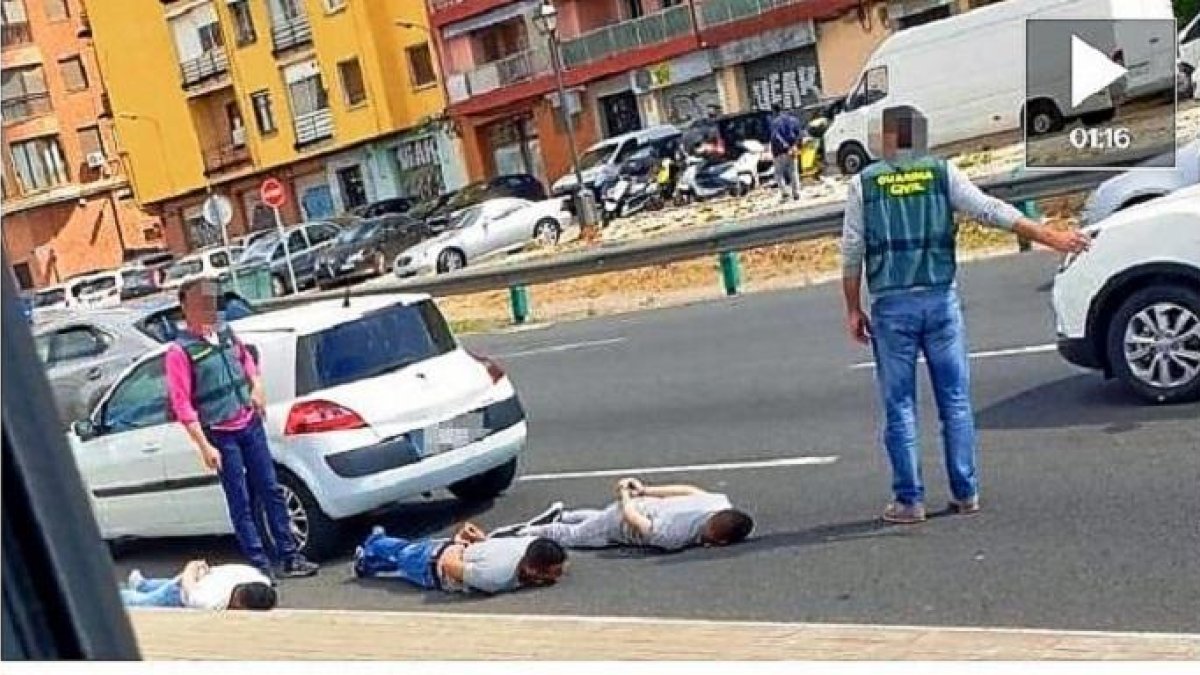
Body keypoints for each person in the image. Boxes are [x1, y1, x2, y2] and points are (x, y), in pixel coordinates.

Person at [841, 106, 1091, 524]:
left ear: (885, 140)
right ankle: (965, 491)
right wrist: (1051, 237)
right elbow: (991, 211)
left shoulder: (863, 185)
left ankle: (909, 501)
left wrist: (852, 307)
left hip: (892, 305)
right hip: (941, 300)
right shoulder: (943, 174)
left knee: (899, 406)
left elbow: (852, 250)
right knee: (955, 401)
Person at [166, 278, 318, 580]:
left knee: (270, 489)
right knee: (241, 500)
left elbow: (248, 361)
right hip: (221, 433)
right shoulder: (179, 352)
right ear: (186, 308)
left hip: (249, 423)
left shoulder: (225, 333)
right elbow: (182, 403)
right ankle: (259, 566)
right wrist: (204, 445)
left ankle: (290, 556)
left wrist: (257, 386)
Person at [507, 478, 754, 551]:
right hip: (621, 523)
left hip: (643, 505)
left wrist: (645, 490)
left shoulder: (719, 502)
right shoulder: (676, 536)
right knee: (575, 537)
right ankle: (528, 532)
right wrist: (625, 495)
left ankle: (566, 514)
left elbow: (688, 490)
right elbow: (633, 520)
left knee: (596, 518)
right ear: (720, 539)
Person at [352, 522, 567, 594]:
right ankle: (374, 543)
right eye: (555, 571)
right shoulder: (497, 577)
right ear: (533, 569)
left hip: (442, 561)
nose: (560, 575)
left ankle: (367, 564)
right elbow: (450, 564)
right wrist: (457, 543)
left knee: (402, 559)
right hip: (433, 563)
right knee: (402, 552)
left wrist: (473, 541)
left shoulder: (530, 546)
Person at [119, 560, 277, 611]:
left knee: (162, 585)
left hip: (203, 578)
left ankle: (142, 584)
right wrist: (194, 566)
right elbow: (187, 583)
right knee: (144, 602)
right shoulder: (210, 601)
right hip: (180, 592)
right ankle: (115, 594)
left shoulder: (256, 577)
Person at [769, 103, 802, 202]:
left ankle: (785, 194)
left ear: (774, 111)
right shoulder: (793, 120)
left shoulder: (775, 123)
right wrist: (795, 146)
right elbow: (799, 134)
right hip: (792, 149)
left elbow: (775, 136)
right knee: (793, 172)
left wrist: (785, 145)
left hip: (779, 151)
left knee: (779, 173)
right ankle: (796, 193)